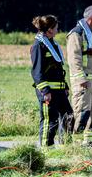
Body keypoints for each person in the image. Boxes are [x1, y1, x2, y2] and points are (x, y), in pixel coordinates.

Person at [30, 14, 73, 147]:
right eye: (56, 28)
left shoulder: (53, 44)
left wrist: (64, 85)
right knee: (50, 120)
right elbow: (36, 72)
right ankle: (46, 149)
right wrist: (45, 91)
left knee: (69, 116)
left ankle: (66, 145)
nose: (57, 30)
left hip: (59, 90)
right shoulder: (38, 46)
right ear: (49, 29)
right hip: (48, 91)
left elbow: (57, 68)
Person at [66, 5, 92, 149]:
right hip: (83, 82)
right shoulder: (77, 33)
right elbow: (74, 58)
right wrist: (80, 79)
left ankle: (90, 142)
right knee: (82, 112)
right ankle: (73, 144)